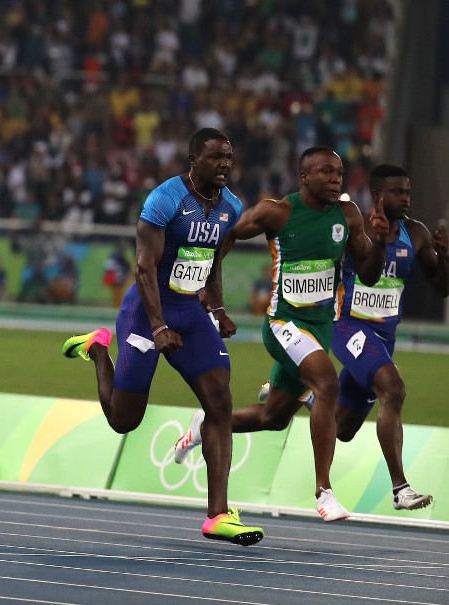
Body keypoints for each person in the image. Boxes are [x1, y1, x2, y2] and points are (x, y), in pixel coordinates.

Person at [62, 128, 265, 546]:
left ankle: (218, 515)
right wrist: (157, 327)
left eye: (229, 156)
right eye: (215, 157)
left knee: (220, 402)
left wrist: (219, 307)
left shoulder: (231, 207)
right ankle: (99, 349)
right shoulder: (165, 200)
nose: (225, 163)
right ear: (193, 158)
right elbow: (143, 268)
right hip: (145, 313)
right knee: (124, 420)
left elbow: (209, 262)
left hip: (190, 312)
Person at [174, 146, 390, 523]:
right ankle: (324, 492)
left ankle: (203, 424)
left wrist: (382, 241)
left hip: (319, 328)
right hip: (283, 325)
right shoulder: (278, 211)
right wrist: (212, 288)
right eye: (326, 171)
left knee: (273, 417)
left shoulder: (348, 214)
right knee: (327, 384)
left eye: (339, 172)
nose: (336, 178)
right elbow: (228, 235)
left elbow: (369, 275)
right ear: (304, 176)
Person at [330, 164, 447, 510]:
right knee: (392, 389)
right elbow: (356, 273)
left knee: (343, 429)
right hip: (349, 326)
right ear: (378, 196)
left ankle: (302, 395)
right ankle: (401, 489)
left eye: (408, 192)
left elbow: (442, 288)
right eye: (398, 192)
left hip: (383, 335)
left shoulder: (418, 233)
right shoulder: (357, 229)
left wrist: (446, 258)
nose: (406, 198)